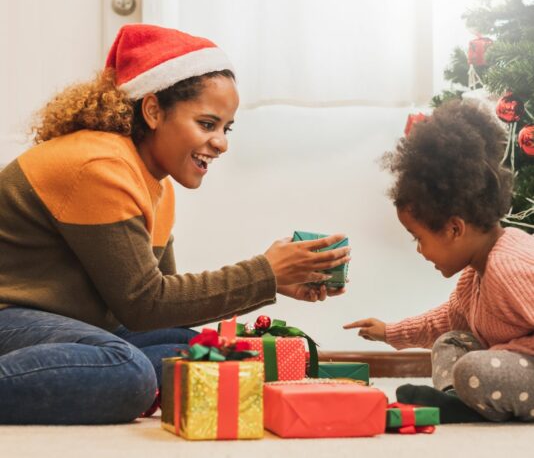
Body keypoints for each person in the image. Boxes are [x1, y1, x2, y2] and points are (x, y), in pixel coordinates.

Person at [0, 24, 350, 425]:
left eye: (226, 128)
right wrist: (265, 272)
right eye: (207, 124)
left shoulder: (155, 186)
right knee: (128, 371)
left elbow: (161, 314)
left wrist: (275, 281)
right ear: (152, 111)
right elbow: (144, 303)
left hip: (51, 324)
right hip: (9, 315)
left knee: (184, 344)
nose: (221, 142)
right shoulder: (100, 166)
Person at [344, 100, 534, 423]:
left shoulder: (509, 265)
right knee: (450, 342)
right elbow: (443, 322)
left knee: (474, 369)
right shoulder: (473, 276)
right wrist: (389, 332)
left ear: (454, 228)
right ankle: (455, 401)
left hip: (520, 370)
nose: (420, 250)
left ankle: (466, 401)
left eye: (419, 238)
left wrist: (509, 350)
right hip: (507, 369)